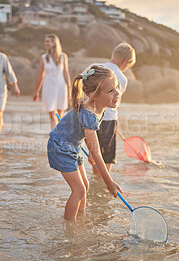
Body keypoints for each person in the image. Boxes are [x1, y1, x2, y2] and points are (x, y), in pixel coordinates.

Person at [47, 65, 123, 220]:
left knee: (85, 187)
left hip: (72, 146)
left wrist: (91, 153)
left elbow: (90, 141)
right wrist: (109, 182)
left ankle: (80, 218)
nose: (117, 93)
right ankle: (69, 226)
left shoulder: (98, 107)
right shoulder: (88, 113)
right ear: (94, 95)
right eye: (110, 91)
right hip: (60, 147)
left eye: (116, 87)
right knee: (79, 190)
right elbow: (96, 151)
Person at [86, 42, 136, 174]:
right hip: (108, 120)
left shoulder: (94, 67)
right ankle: (102, 184)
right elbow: (114, 103)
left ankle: (96, 178)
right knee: (106, 157)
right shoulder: (122, 78)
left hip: (89, 117)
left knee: (95, 153)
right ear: (125, 62)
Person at [33, 34, 71, 129]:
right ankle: (54, 136)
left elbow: (66, 73)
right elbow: (41, 75)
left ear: (54, 43)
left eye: (48, 41)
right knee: (52, 114)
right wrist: (36, 91)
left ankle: (61, 135)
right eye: (45, 41)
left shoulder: (63, 56)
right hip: (49, 86)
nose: (46, 43)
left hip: (61, 86)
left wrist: (70, 89)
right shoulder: (43, 58)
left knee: (60, 113)